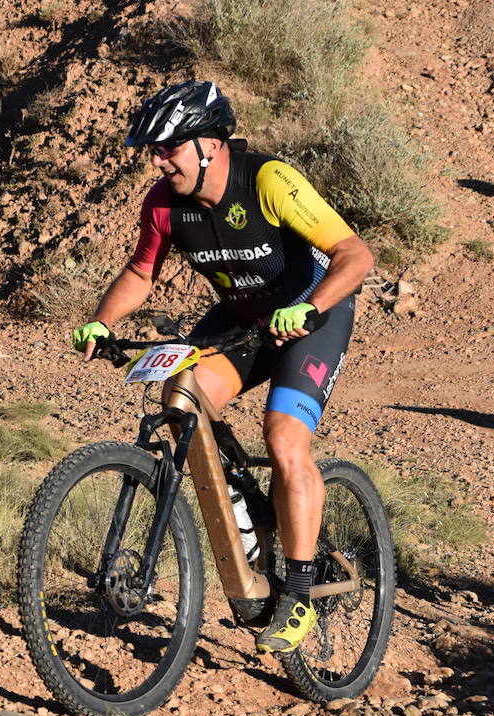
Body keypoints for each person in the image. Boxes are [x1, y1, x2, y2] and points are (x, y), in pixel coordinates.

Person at [71, 80, 373, 654]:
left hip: (311, 316)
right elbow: (141, 273)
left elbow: (355, 255)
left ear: (209, 144)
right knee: (179, 399)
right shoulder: (162, 204)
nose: (158, 160)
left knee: (284, 439)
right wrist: (102, 321)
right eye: (153, 150)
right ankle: (249, 511)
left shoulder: (269, 181)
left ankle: (301, 593)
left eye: (168, 147)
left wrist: (309, 307)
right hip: (240, 321)